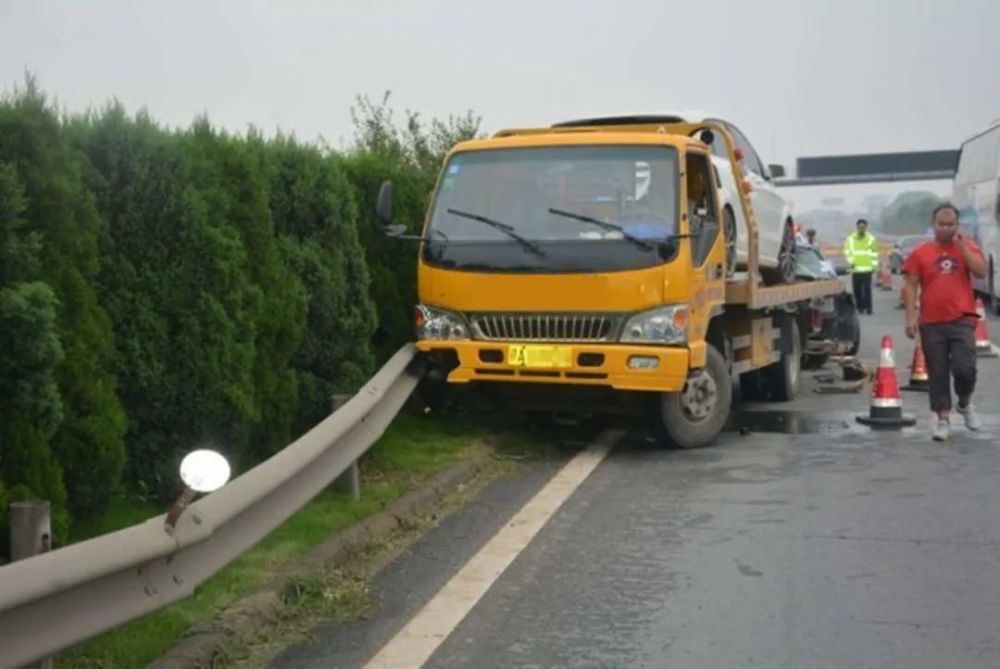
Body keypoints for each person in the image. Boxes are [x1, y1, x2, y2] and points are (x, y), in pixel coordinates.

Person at [902, 203, 987, 441]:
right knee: (937, 372)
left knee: (965, 369)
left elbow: (981, 271)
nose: (946, 229)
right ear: (933, 224)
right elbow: (910, 285)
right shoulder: (921, 253)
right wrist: (910, 317)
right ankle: (942, 419)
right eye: (942, 224)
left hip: (962, 319)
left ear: (958, 225)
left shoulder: (967, 246)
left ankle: (965, 402)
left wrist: (964, 249)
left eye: (951, 225)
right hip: (931, 322)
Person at [844, 219, 878, 314]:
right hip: (856, 269)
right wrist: (851, 261)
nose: (862, 229)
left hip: (867, 269)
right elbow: (847, 252)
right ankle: (860, 308)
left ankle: (868, 308)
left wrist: (874, 266)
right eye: (860, 227)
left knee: (867, 290)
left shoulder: (871, 239)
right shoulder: (850, 239)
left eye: (863, 227)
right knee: (857, 290)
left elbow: (874, 254)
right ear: (857, 227)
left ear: (866, 227)